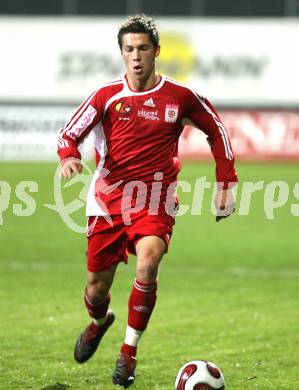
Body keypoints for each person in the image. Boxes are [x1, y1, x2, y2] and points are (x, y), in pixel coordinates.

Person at [57, 14, 238, 388]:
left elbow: (216, 131)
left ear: (157, 51)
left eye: (142, 48)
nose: (135, 56)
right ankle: (98, 321)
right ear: (121, 53)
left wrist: (226, 182)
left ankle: (128, 352)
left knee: (149, 262)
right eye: (128, 49)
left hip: (156, 198)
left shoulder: (179, 97)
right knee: (96, 288)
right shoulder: (107, 97)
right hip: (107, 201)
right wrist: (68, 156)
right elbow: (69, 133)